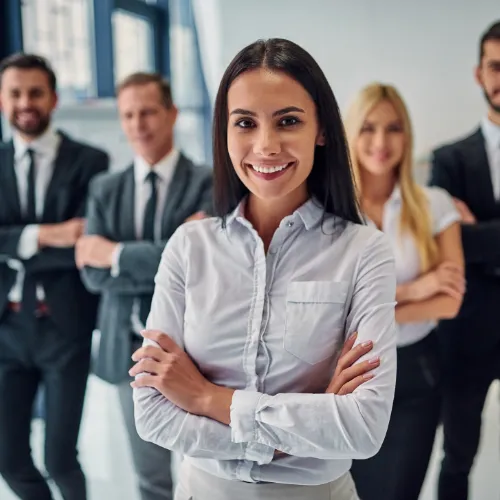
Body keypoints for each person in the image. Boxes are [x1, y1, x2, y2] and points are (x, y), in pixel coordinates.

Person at [128, 38, 398, 500]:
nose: (266, 146)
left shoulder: (364, 251)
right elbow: (152, 413)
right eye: (245, 123)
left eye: (288, 121)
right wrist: (295, 432)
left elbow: (363, 428)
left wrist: (207, 399)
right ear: (224, 133)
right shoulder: (189, 247)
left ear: (321, 130)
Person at [77, 72, 212, 500]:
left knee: (207, 470)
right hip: (126, 351)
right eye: (128, 115)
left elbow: (202, 265)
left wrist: (115, 255)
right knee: (150, 477)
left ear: (172, 114)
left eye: (148, 112)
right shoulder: (104, 189)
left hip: (196, 350)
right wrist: (172, 245)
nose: (138, 124)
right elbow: (91, 274)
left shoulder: (210, 182)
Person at [344, 83, 465, 500]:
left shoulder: (434, 204)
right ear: (351, 134)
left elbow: (448, 301)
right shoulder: (332, 211)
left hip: (416, 371)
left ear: (407, 135)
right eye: (368, 128)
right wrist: (416, 289)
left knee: (400, 493)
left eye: (393, 128)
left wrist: (372, 307)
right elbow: (337, 307)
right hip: (348, 372)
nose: (381, 142)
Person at [0, 53, 109, 500]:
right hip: (5, 329)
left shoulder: (90, 161)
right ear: (2, 99)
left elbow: (86, 247)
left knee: (61, 458)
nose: (25, 102)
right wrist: (49, 235)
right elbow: (66, 242)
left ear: (53, 98)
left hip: (65, 327)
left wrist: (15, 245)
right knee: (7, 457)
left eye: (35, 92)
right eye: (15, 93)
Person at [429, 20, 500, 500]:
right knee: (457, 454)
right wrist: (462, 240)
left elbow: (470, 244)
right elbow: (447, 249)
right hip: (468, 329)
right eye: (496, 66)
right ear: (479, 74)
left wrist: (476, 236)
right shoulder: (449, 159)